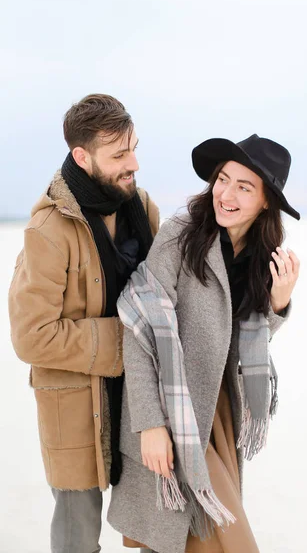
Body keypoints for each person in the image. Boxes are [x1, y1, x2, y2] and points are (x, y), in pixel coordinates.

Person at [108, 134, 301, 553]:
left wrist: (278, 304)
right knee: (219, 541)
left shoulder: (263, 255)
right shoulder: (182, 234)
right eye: (223, 179)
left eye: (244, 187)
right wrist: (151, 424)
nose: (226, 194)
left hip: (221, 412)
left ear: (266, 201)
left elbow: (246, 346)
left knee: (205, 539)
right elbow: (141, 328)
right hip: (173, 407)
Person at [8, 93, 159, 553]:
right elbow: (31, 337)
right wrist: (127, 340)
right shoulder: (48, 231)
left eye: (133, 148)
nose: (133, 163)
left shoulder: (142, 207)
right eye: (118, 155)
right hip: (73, 409)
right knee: (77, 538)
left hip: (142, 404)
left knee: (158, 528)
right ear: (82, 156)